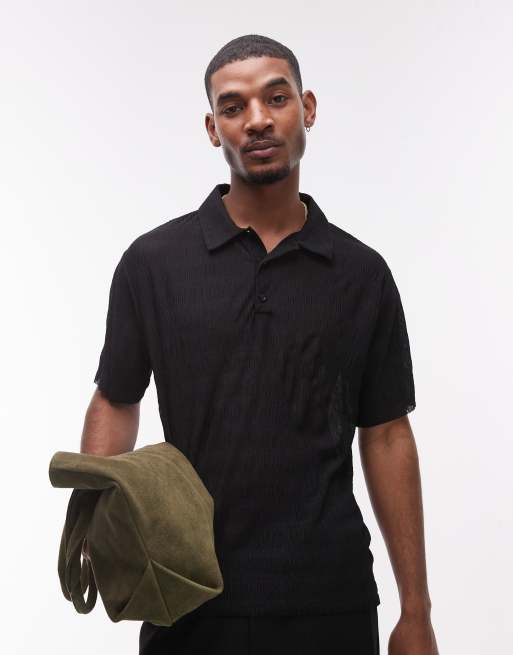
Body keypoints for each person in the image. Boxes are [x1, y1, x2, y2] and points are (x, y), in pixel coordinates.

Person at [81, 34, 439, 655]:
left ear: (308, 108)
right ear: (212, 129)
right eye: (233, 106)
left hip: (330, 600)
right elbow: (116, 401)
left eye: (276, 98)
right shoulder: (152, 263)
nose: (257, 120)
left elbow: (386, 434)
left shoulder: (362, 274)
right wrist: (89, 522)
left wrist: (416, 610)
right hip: (185, 596)